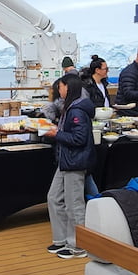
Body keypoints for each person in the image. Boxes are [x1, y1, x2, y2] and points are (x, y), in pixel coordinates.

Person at [41, 73, 94, 259]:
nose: (59, 90)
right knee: (54, 197)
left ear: (68, 88)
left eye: (61, 87)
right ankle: (61, 239)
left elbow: (79, 138)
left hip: (74, 161)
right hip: (65, 160)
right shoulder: (70, 108)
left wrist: (56, 134)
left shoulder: (77, 111)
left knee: (74, 204)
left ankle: (79, 245)